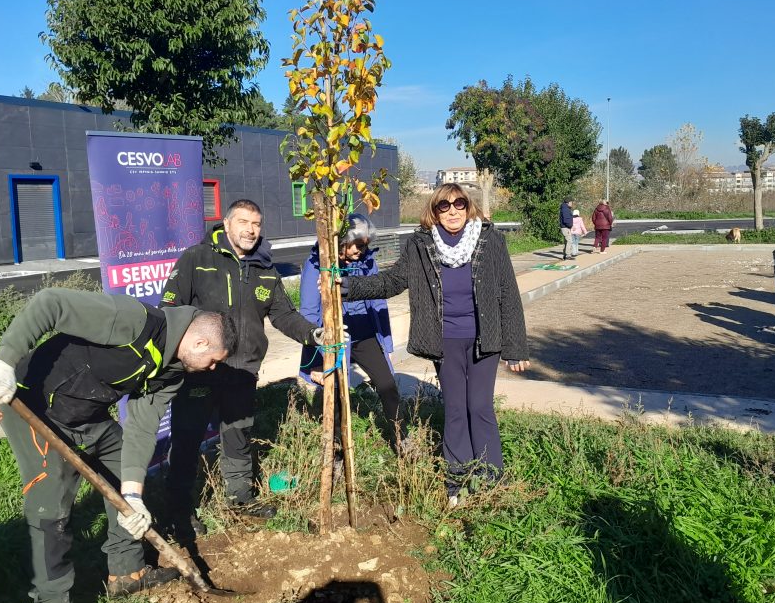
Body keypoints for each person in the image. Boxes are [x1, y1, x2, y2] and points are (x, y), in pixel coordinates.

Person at [0, 288, 237, 603]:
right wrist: (5, 361)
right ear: (201, 341)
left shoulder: (172, 373)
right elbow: (50, 303)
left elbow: (143, 430)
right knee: (50, 511)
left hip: (87, 416)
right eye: (213, 360)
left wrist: (132, 494)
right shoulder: (132, 321)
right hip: (34, 407)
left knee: (124, 475)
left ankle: (126, 571)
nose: (212, 368)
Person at [341, 184, 529, 507]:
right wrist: (348, 286)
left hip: (486, 339)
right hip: (446, 341)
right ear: (434, 210)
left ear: (468, 207)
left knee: (479, 407)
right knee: (455, 408)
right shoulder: (421, 245)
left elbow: (508, 294)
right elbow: (391, 282)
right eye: (445, 205)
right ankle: (457, 481)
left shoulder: (490, 240)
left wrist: (516, 347)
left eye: (459, 203)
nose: (453, 210)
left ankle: (489, 480)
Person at [159, 199, 328, 542]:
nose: (251, 229)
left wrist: (313, 333)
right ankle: (178, 510)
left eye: (257, 223)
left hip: (243, 371)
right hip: (201, 371)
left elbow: (283, 315)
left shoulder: (265, 268)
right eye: (244, 221)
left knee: (238, 435)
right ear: (226, 223)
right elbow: (169, 308)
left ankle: (239, 498)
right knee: (188, 437)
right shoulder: (198, 258)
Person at [299, 214, 400, 448]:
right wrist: (314, 360)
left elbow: (379, 304)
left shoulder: (367, 263)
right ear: (341, 241)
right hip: (330, 336)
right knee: (333, 393)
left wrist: (386, 344)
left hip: (364, 332)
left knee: (387, 385)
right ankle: (335, 448)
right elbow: (309, 313)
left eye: (366, 245)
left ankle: (400, 437)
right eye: (359, 245)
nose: (362, 251)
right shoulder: (318, 264)